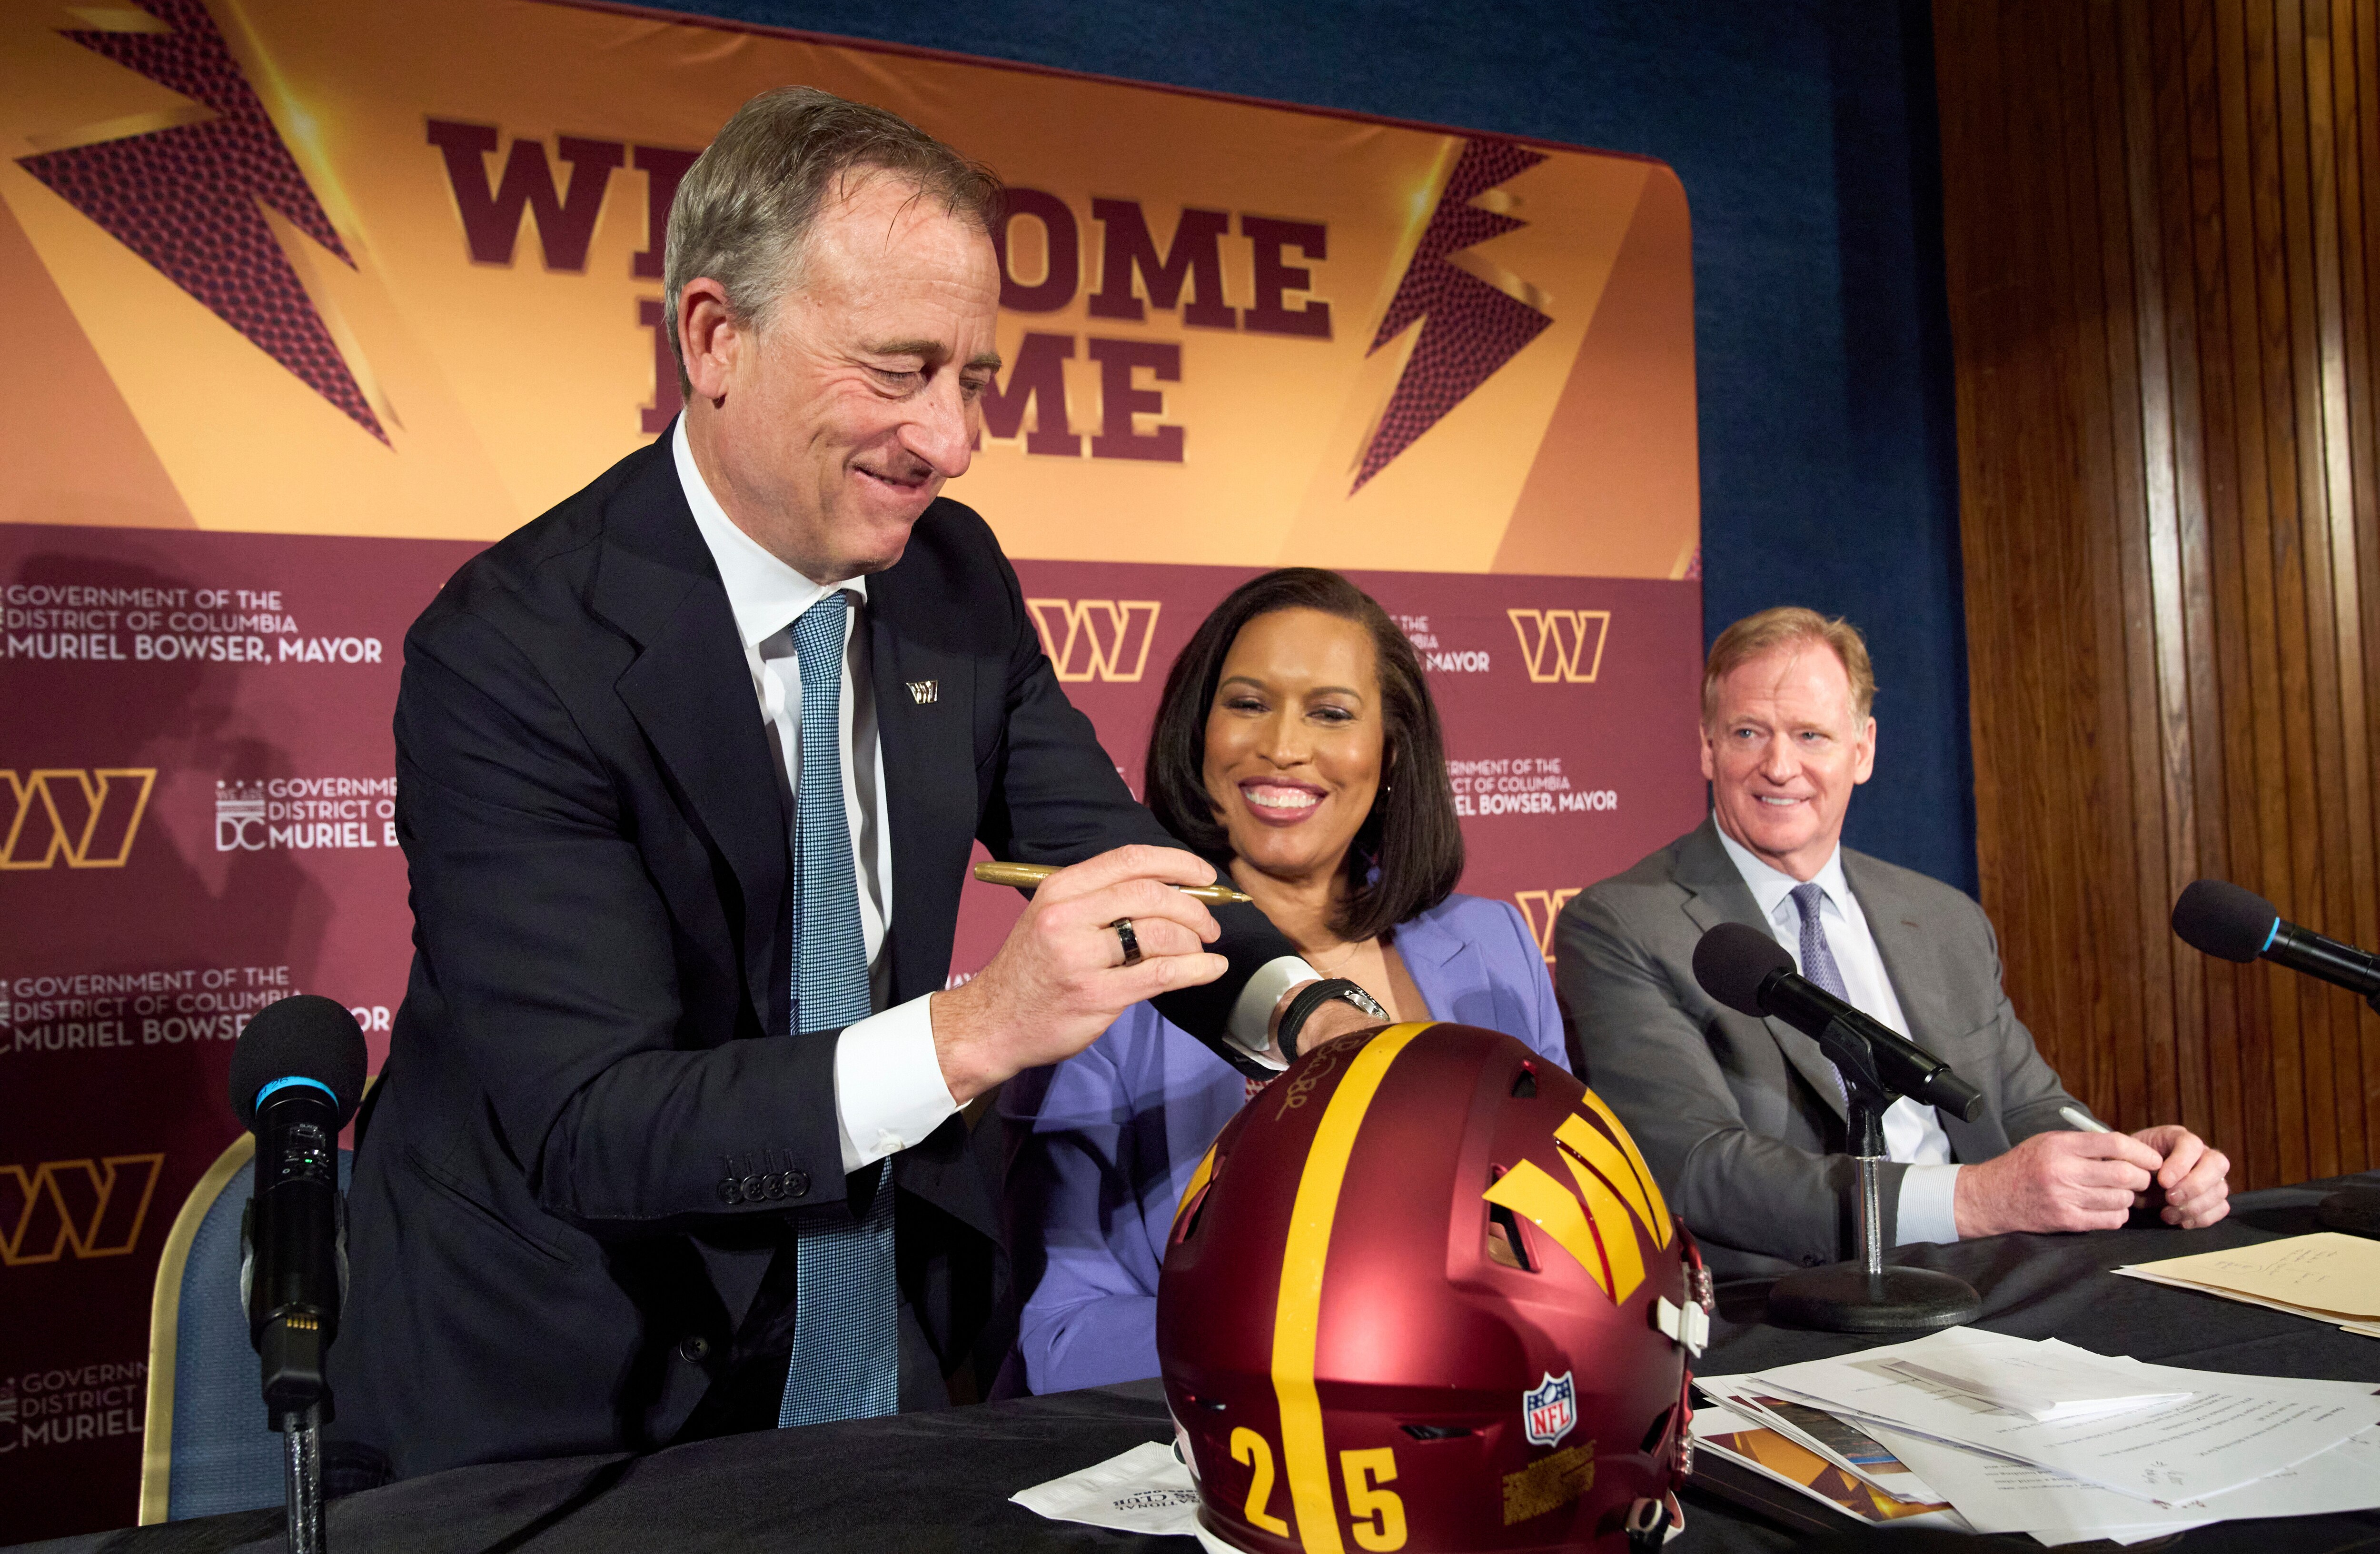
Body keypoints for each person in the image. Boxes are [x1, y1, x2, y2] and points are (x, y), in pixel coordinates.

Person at [329, 90, 1374, 1482]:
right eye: (898, 369)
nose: (950, 440)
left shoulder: (951, 573)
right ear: (715, 336)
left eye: (976, 377)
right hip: (571, 1378)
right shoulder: (513, 648)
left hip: (892, 1330)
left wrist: (1313, 1016)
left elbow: (1116, 858)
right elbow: (595, 1124)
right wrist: (982, 1024)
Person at [1003, 569, 1569, 1391]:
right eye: (1246, 703)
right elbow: (1060, 1340)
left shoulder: (1495, 946)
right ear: (1197, 733)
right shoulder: (1109, 969)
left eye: (1331, 713)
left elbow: (1567, 1232)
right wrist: (1329, 1332)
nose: (1282, 746)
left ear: (1391, 750)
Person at [1555, 607, 2229, 1280]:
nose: (1779, 766)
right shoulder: (1624, 923)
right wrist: (1976, 1199)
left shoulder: (1943, 917)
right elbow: (1701, 1167)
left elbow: (2024, 1103)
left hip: (2001, 1272)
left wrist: (2129, 1164)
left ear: (1863, 750)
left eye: (1811, 734)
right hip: (1801, 1303)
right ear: (1708, 747)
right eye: (1748, 732)